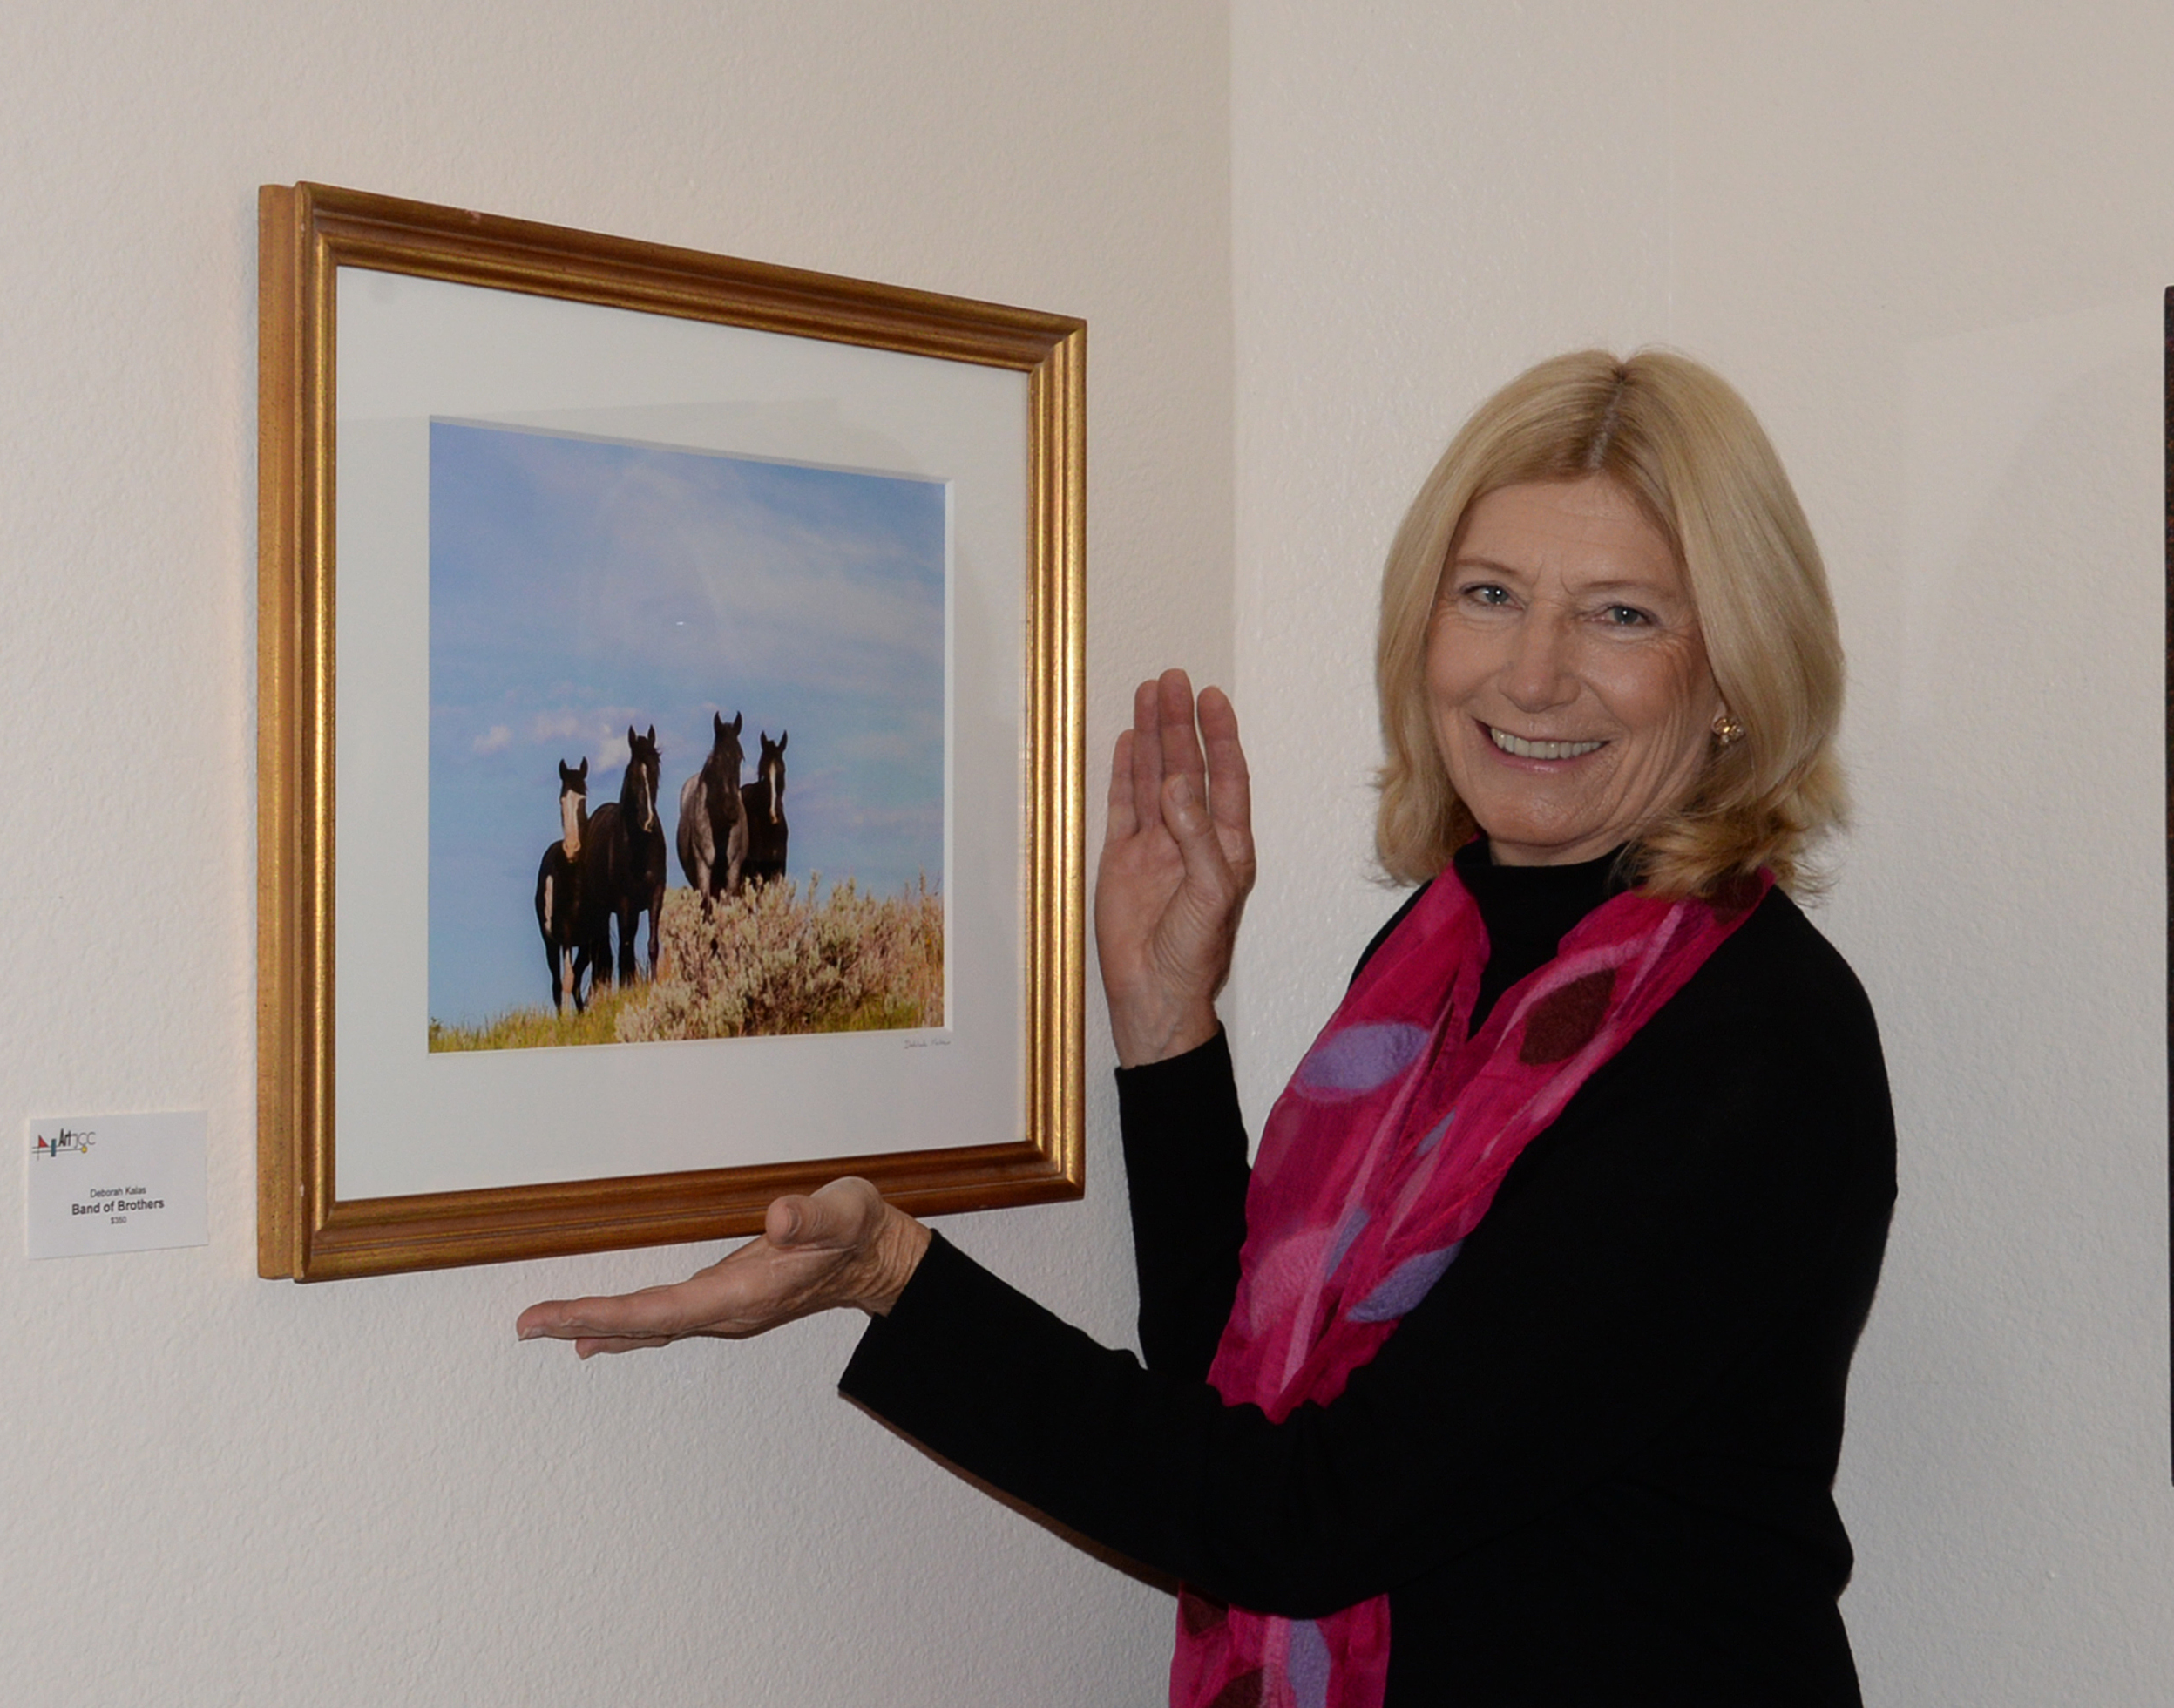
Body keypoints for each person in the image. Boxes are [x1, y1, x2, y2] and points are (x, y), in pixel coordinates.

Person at [518, 349, 1896, 1706]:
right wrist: (1168, 1025)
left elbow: (1304, 1519)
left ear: (1734, 679)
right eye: (1489, 596)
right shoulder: (1439, 963)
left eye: (1622, 617)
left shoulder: (1751, 1046)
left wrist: (892, 1274)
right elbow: (1236, 1391)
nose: (1533, 675)